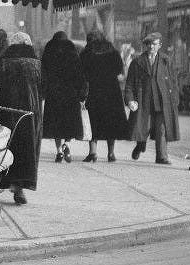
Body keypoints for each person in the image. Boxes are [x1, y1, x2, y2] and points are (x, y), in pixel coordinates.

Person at [0, 31, 42, 205]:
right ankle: (19, 186)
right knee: (26, 148)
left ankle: (4, 180)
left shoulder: (4, 62)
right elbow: (44, 89)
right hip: (29, 113)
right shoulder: (36, 63)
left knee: (6, 144)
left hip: (6, 111)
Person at [124, 32, 180, 165]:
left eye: (154, 44)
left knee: (161, 129)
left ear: (160, 45)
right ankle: (140, 145)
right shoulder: (137, 62)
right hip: (144, 100)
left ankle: (161, 156)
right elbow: (130, 84)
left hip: (162, 101)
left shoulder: (166, 61)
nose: (150, 47)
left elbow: (173, 82)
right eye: (148, 44)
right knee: (143, 127)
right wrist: (130, 100)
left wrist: (174, 99)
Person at [79, 29, 130, 162]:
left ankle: (93, 153)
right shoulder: (112, 51)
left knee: (93, 121)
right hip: (111, 91)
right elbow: (119, 69)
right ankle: (111, 153)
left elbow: (81, 71)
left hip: (94, 91)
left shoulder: (87, 52)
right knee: (111, 123)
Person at [40, 31, 87, 164]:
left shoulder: (48, 53)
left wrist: (42, 92)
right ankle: (66, 144)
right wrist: (82, 94)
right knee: (69, 124)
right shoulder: (73, 55)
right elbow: (80, 76)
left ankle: (59, 152)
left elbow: (42, 75)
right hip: (70, 94)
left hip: (53, 94)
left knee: (55, 126)